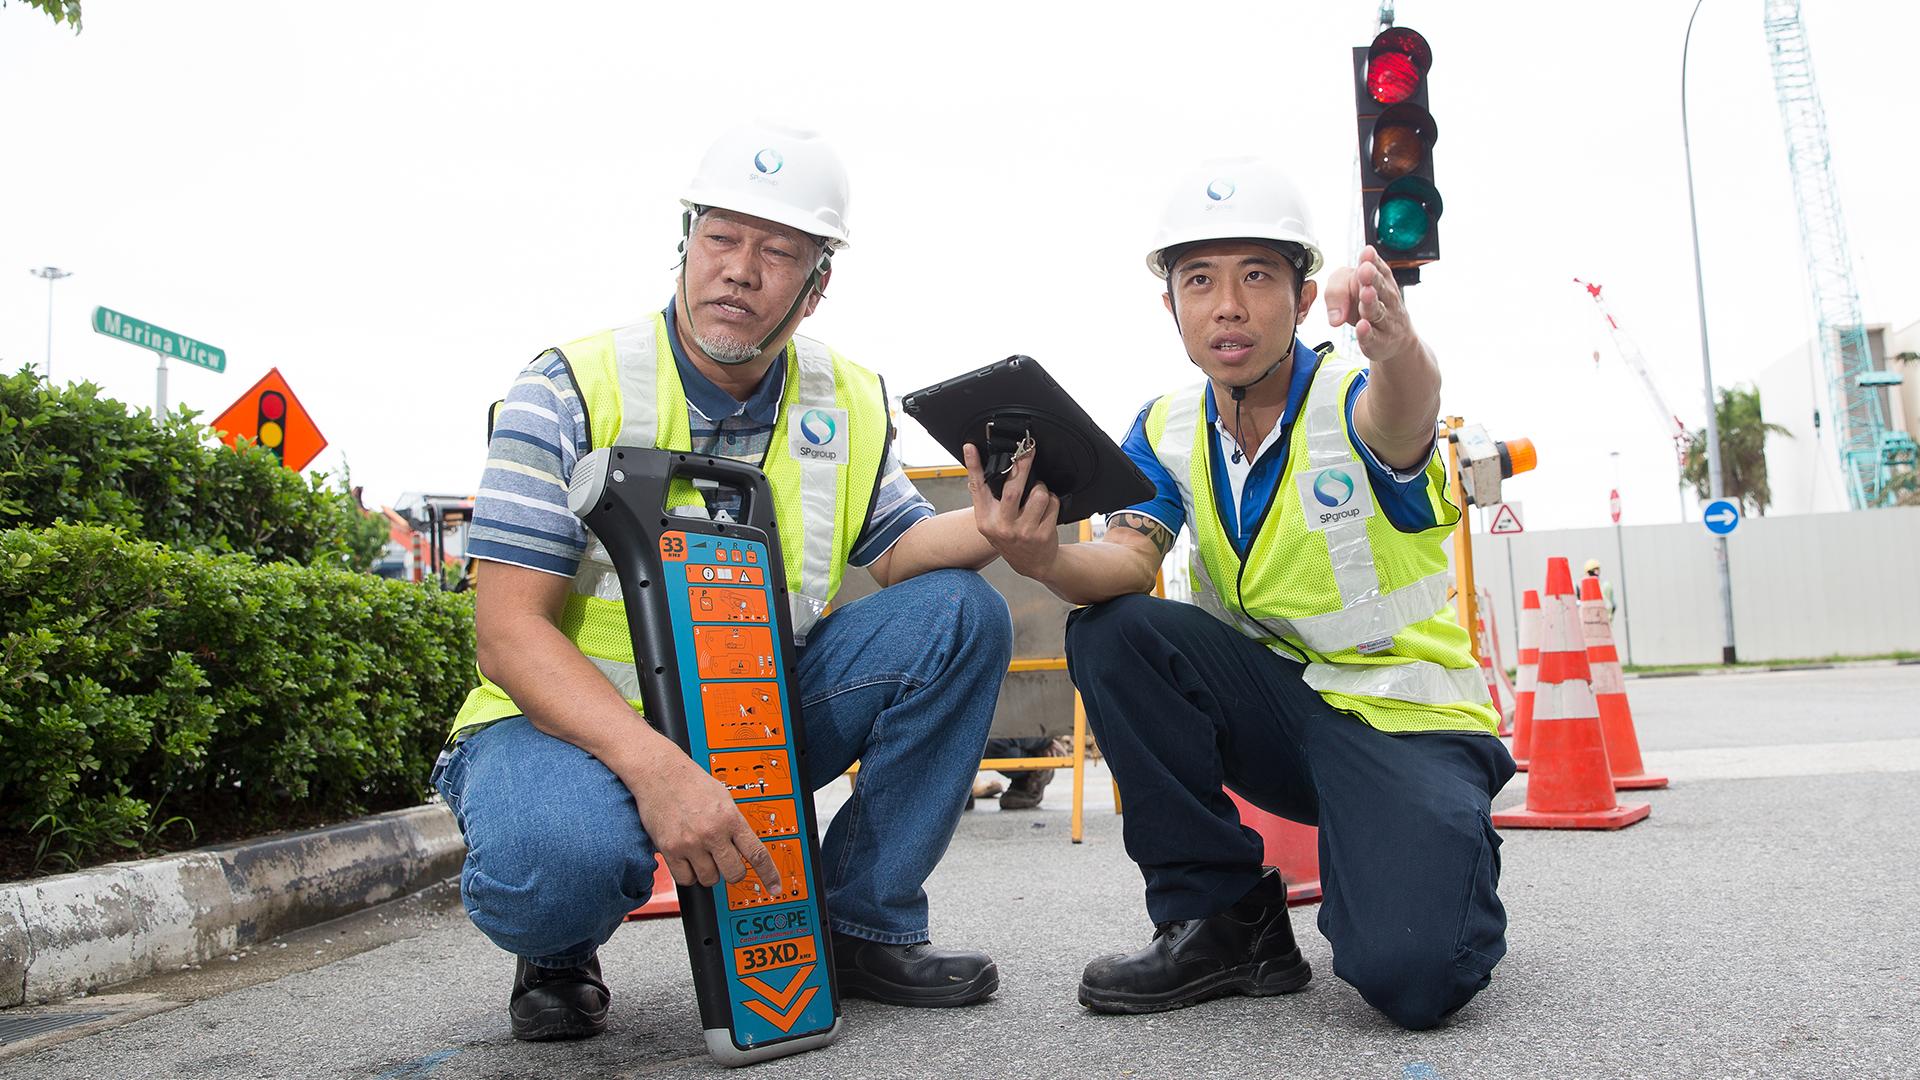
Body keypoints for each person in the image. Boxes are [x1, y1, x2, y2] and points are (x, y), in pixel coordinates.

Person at [435, 122, 1013, 1042]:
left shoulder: (849, 399)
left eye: (778, 252)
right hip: (570, 730)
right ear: (686, 244)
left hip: (751, 711)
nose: (740, 270)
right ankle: (557, 946)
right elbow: (509, 634)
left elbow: (901, 554)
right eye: (722, 239)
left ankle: (859, 926)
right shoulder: (569, 386)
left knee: (960, 615)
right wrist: (658, 768)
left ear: (817, 285)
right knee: (555, 867)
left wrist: (990, 526)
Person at [967, 158, 1514, 1030]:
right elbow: (1125, 562)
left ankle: (1444, 845)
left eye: (1258, 276)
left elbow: (1404, 415)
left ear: (1301, 300)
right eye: (1200, 281)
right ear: (1171, 305)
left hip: (1407, 720)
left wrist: (1398, 344)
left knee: (1413, 981)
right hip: (1286, 713)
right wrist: (1043, 563)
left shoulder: (1351, 395)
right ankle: (1223, 921)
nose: (1228, 305)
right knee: (1115, 630)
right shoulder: (1165, 425)